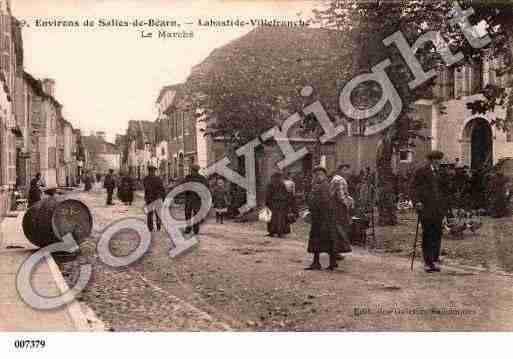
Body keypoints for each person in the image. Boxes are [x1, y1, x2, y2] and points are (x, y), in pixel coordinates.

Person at [413, 150, 448, 273]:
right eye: (436, 159)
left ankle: (434, 259)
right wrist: (417, 201)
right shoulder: (421, 171)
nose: (438, 161)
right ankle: (428, 262)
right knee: (428, 234)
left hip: (438, 209)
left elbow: (444, 190)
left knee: (437, 234)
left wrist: (445, 206)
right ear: (431, 160)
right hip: (426, 208)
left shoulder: (440, 172)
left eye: (439, 159)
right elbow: (414, 188)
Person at [306, 166, 341, 270]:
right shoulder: (317, 185)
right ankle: (318, 262)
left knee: (326, 240)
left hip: (324, 218)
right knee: (320, 240)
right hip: (319, 218)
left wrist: (315, 207)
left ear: (324, 175)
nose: (317, 176)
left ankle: (329, 262)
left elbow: (325, 202)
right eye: (316, 175)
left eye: (319, 174)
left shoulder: (324, 186)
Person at [180, 164, 209, 235]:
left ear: (192, 170)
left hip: (189, 197)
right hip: (198, 198)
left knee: (188, 214)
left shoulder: (188, 177)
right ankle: (196, 229)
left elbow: (183, 186)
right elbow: (206, 187)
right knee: (196, 213)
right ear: (198, 170)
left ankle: (188, 229)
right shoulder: (202, 178)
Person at [265, 171, 294, 238]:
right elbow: (287, 194)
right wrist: (288, 203)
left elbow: (268, 195)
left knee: (272, 218)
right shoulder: (282, 184)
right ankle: (281, 233)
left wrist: (267, 203)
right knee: (281, 219)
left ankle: (272, 232)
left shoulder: (270, 184)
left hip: (273, 204)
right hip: (282, 204)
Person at [143, 166, 166, 232]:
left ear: (149, 171)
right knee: (158, 213)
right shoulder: (158, 179)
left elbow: (145, 188)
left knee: (150, 214)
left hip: (149, 198)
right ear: (154, 171)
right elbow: (162, 189)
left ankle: (150, 228)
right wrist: (163, 198)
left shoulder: (146, 179)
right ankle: (158, 227)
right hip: (157, 198)